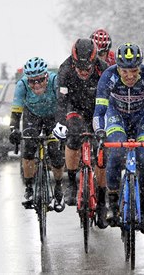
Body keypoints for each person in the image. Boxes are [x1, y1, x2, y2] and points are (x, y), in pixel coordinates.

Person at [93, 42, 144, 234]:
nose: (129, 76)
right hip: (116, 115)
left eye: (134, 71)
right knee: (116, 152)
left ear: (140, 68)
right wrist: (100, 132)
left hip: (141, 117)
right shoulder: (108, 77)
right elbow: (99, 111)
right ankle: (112, 204)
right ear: (117, 67)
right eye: (124, 71)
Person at [53, 38, 110, 227]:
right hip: (74, 107)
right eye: (80, 69)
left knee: (101, 154)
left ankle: (102, 202)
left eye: (87, 69)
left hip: (97, 110)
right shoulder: (65, 69)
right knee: (73, 136)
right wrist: (60, 124)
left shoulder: (103, 69)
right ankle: (72, 182)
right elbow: (61, 101)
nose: (84, 73)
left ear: (94, 62)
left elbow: (112, 99)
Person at [8, 57, 65, 211]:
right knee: (28, 150)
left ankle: (59, 189)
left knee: (55, 154)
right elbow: (16, 109)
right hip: (32, 116)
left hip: (53, 116)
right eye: (32, 81)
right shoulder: (22, 85)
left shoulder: (55, 81)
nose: (37, 84)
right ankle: (28, 189)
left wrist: (62, 124)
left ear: (46, 76)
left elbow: (62, 104)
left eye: (40, 80)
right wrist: (13, 128)